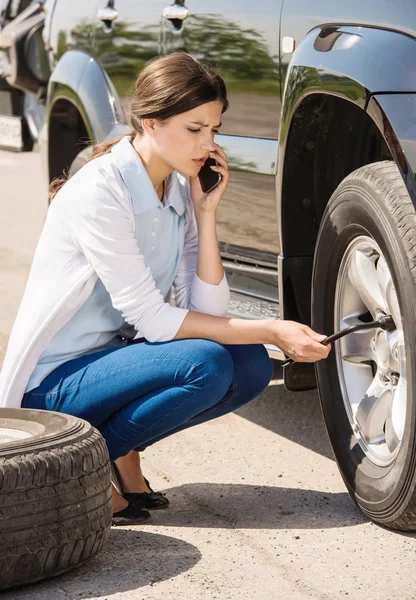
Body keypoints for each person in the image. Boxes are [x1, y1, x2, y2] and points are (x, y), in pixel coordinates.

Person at [0, 53, 330, 526]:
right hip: (52, 388)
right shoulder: (101, 191)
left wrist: (206, 213)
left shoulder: (177, 188)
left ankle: (115, 453)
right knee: (206, 363)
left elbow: (205, 307)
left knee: (250, 364)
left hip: (113, 365)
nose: (208, 143)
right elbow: (153, 320)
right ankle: (80, 463)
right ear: (150, 122)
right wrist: (275, 327)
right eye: (194, 129)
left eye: (214, 130)